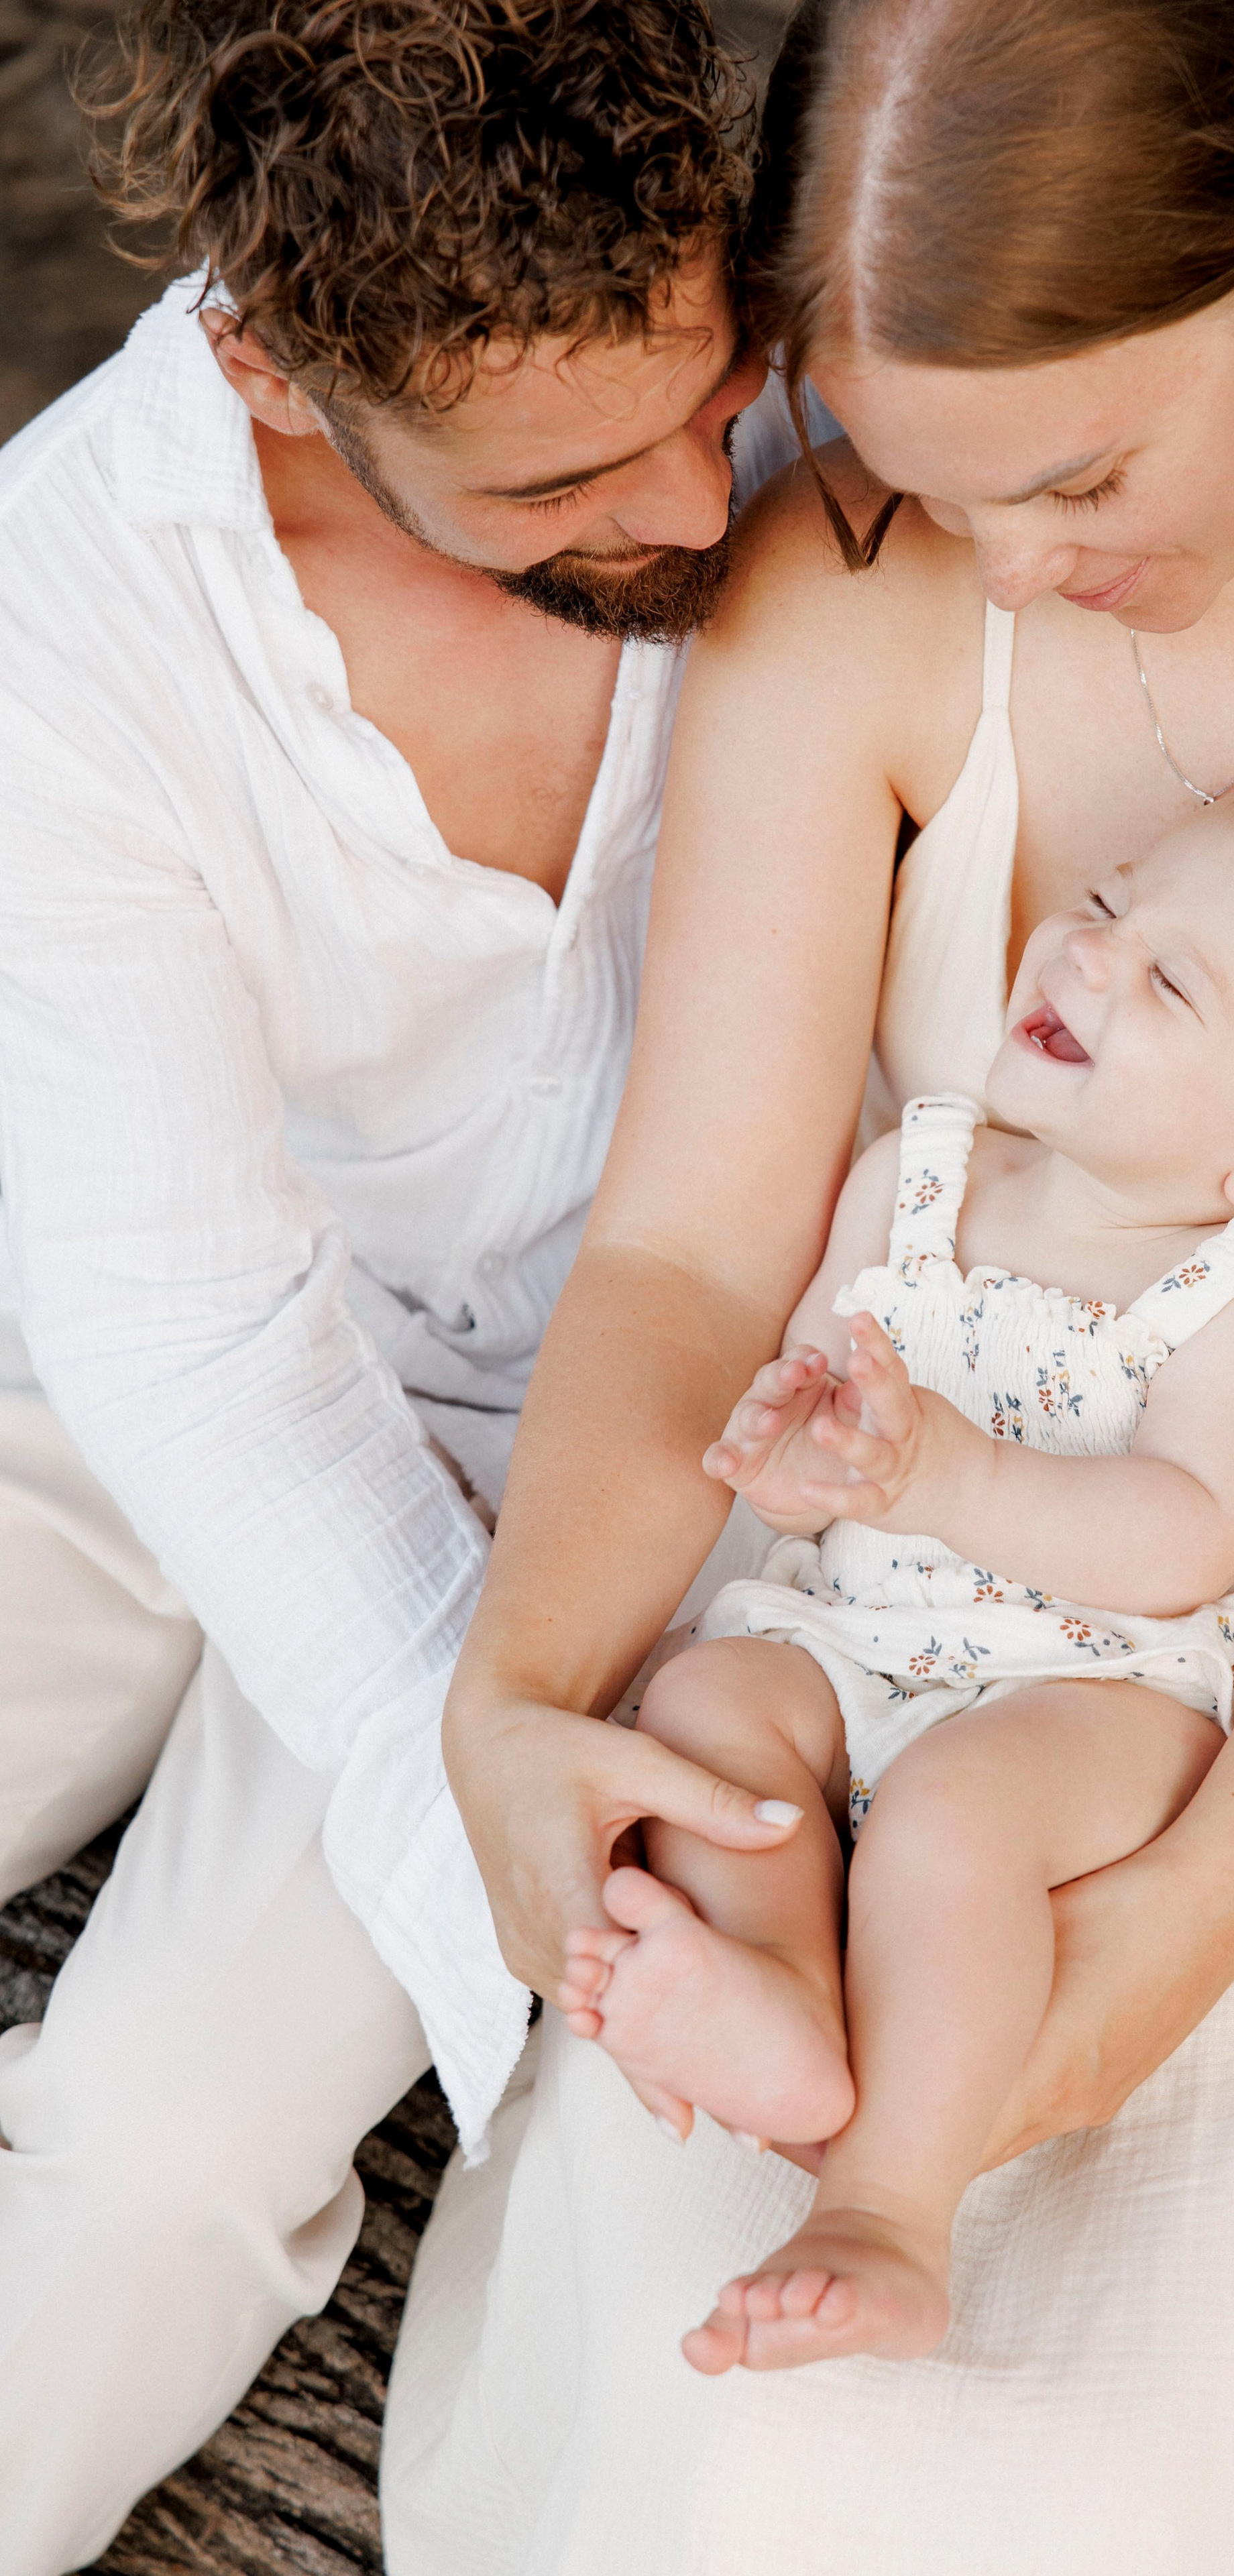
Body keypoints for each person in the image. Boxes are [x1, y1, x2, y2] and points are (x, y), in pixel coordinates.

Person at [386, 0, 1234, 2569]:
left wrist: (1186, 1924)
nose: (1006, 568)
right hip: (860, 1629)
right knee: (745, 2445)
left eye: (1079, 472)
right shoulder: (845, 581)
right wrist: (522, 1699)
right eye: (922, 478)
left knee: (1128, 2481)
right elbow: (684, 1240)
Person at [0, 1, 830, 2564]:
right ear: (270, 364)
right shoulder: (65, 613)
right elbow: (201, 1350)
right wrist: (476, 1812)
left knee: (147, 2168)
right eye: (567, 475)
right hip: (208, 1349)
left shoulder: (827, 400)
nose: (708, 497)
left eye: (721, 392)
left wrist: (518, 1861)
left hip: (669, 1450)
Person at [563, 777, 1234, 2375]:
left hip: (1094, 1683)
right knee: (710, 1699)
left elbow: (1180, 1536)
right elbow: (819, 1376)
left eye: (1167, 983)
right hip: (862, 1623)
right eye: (1103, 906)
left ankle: (886, 2208)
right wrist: (795, 1445)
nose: (1084, 959)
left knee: (952, 1820)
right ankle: (780, 2003)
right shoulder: (917, 1176)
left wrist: (948, 1472)